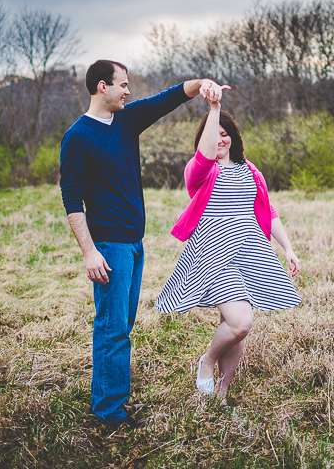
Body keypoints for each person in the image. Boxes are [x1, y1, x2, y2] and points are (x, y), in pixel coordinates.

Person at [60, 59, 227, 428]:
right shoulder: (77, 137)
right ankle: (108, 413)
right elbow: (72, 199)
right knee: (112, 327)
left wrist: (203, 84)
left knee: (123, 324)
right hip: (109, 246)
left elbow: (168, 99)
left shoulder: (127, 121)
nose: (128, 91)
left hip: (135, 244)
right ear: (102, 87)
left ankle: (114, 400)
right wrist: (90, 251)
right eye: (122, 85)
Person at [155, 89, 301, 402]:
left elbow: (267, 210)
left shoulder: (251, 171)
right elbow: (206, 154)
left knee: (233, 325)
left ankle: (220, 394)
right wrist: (214, 107)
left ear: (233, 136)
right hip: (214, 257)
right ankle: (207, 360)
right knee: (241, 322)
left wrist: (287, 247)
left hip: (248, 256)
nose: (219, 139)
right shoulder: (200, 171)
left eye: (225, 133)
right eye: (213, 133)